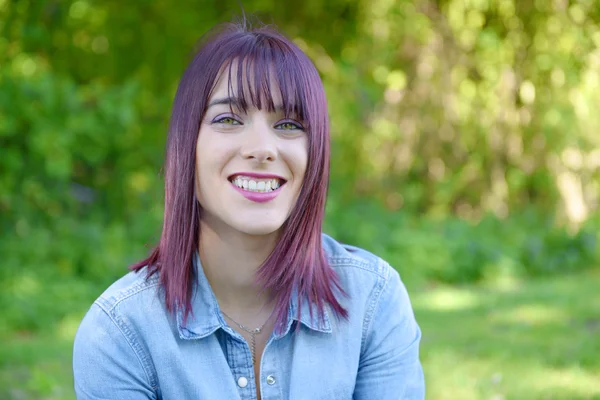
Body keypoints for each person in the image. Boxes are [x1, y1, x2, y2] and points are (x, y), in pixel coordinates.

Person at [72, 17, 425, 400]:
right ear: (185, 145)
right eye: (228, 119)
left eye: (289, 124)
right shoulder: (120, 331)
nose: (262, 148)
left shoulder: (373, 300)